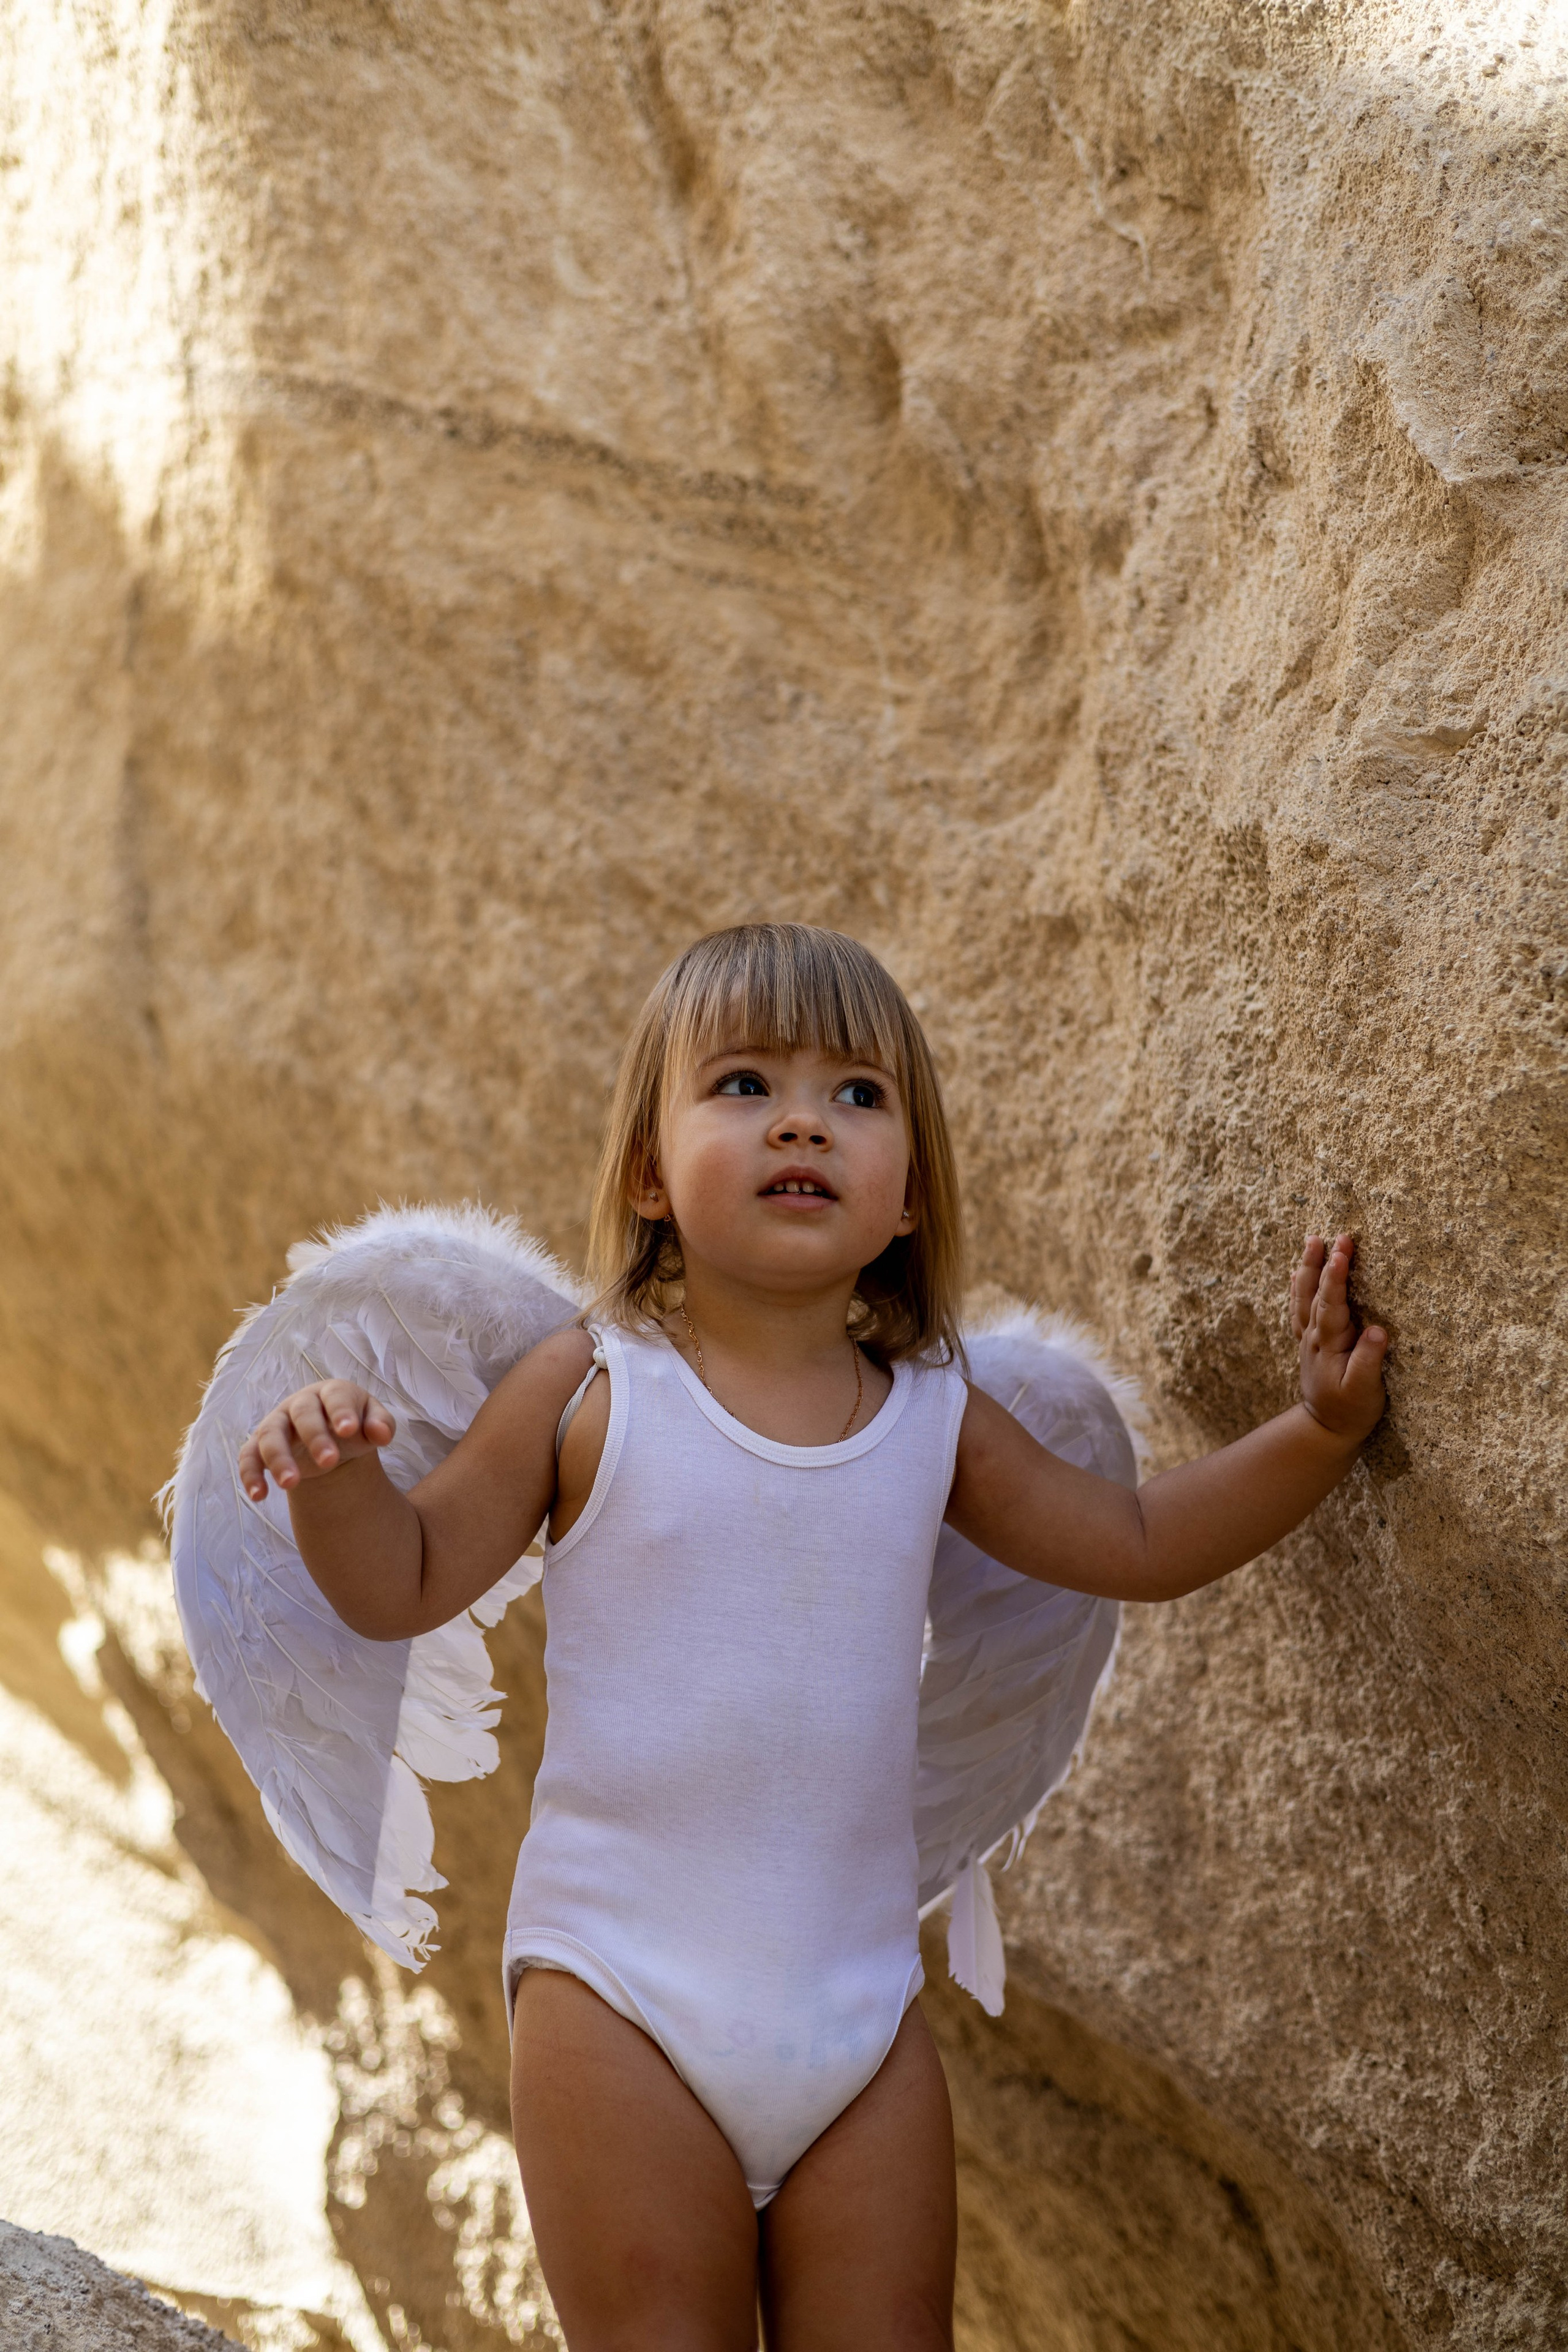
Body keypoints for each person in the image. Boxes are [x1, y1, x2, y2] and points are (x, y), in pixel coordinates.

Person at [237, 922, 1388, 2352]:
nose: (801, 1117)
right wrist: (337, 1480)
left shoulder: (935, 1417)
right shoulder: (591, 1386)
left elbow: (1140, 1546)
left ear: (907, 1196)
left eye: (858, 1095)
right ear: (651, 1174)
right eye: (740, 1085)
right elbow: (401, 1583)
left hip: (858, 2021)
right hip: (619, 1996)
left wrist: (1320, 1430)